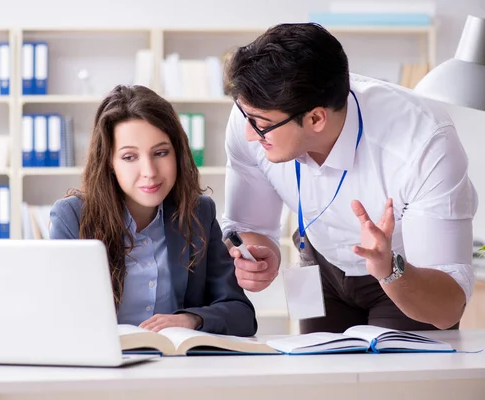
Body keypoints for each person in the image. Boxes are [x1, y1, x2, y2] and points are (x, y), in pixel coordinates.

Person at [221, 22, 478, 334]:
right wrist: (259, 255)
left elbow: (447, 307)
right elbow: (251, 228)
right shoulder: (254, 113)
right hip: (320, 265)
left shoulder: (422, 143)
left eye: (260, 124)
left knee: (396, 379)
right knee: (325, 377)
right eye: (246, 117)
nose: (249, 134)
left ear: (316, 118)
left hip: (404, 271)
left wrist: (390, 270)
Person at [49, 84, 257, 336]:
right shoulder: (72, 217)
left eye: (160, 153)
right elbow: (60, 317)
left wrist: (192, 319)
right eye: (129, 157)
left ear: (177, 153)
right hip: (104, 367)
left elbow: (241, 314)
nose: (149, 171)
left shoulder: (198, 213)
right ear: (110, 163)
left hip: (177, 366)